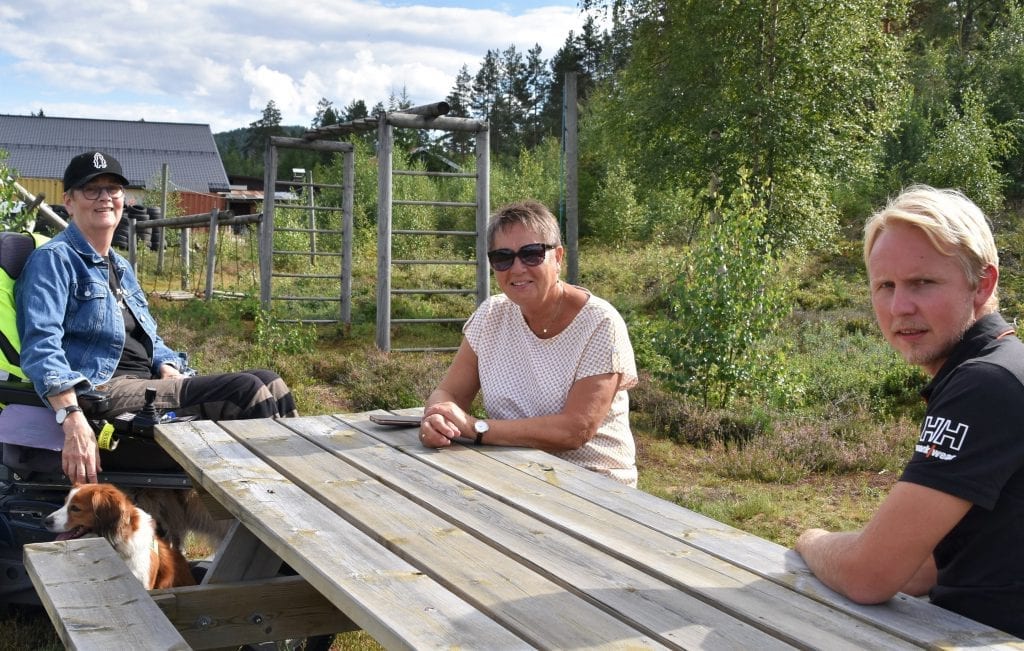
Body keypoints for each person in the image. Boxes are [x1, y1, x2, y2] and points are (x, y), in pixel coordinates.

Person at [794, 185, 1023, 637]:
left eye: (923, 282)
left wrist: (810, 539)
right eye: (885, 286)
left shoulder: (986, 384)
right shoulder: (1004, 368)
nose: (900, 307)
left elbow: (868, 576)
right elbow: (925, 568)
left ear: (983, 285)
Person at [16, 151, 297, 485]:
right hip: (103, 391)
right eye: (92, 189)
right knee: (246, 392)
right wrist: (71, 415)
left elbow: (150, 338)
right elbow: (41, 348)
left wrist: (165, 363)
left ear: (123, 199)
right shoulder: (53, 261)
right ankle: (284, 502)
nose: (105, 197)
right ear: (70, 201)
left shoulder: (120, 266)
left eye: (113, 189)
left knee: (270, 381)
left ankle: (298, 487)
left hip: (145, 384)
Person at [419, 200, 639, 486]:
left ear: (558, 257)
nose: (518, 268)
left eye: (532, 254)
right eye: (503, 258)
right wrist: (436, 418)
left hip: (594, 485)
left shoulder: (599, 323)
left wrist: (478, 428)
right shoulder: (491, 315)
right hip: (514, 473)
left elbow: (575, 430)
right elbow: (449, 392)